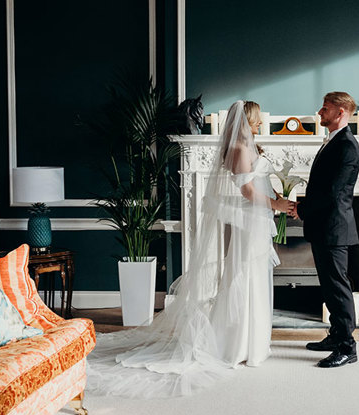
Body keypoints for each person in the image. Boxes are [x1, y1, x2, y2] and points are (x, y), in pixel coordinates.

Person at [86, 100, 291, 397]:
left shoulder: (250, 147)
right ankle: (235, 345)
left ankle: (251, 343)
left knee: (254, 277)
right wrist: (277, 204)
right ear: (246, 120)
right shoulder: (239, 150)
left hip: (256, 222)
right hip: (250, 223)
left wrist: (276, 202)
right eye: (256, 119)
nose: (259, 124)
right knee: (244, 277)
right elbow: (247, 191)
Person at [290, 92, 359, 368]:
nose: (319, 113)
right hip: (325, 227)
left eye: (325, 108)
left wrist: (302, 209)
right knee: (331, 288)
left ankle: (347, 347)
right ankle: (335, 336)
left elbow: (333, 194)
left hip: (334, 228)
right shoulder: (334, 141)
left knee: (338, 288)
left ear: (341, 112)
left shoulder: (347, 146)